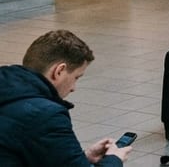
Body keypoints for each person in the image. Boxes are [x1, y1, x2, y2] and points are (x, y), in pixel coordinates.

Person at [0, 30, 134, 166]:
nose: (73, 88)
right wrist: (114, 159)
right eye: (76, 77)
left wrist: (82, 158)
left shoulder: (7, 88)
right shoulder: (45, 115)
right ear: (59, 71)